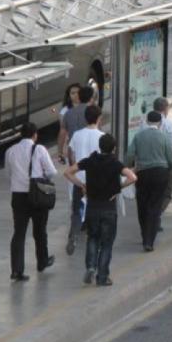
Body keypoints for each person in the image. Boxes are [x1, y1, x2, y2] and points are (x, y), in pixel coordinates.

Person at [65, 134, 136, 287]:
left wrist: (81, 185)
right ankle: (102, 277)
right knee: (107, 243)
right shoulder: (115, 163)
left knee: (93, 238)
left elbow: (68, 172)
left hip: (92, 207)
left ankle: (91, 267)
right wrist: (118, 188)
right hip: (108, 208)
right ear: (114, 148)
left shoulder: (90, 160)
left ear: (100, 146)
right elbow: (132, 177)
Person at [4, 123, 57, 281]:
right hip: (37, 194)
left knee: (19, 233)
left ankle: (17, 270)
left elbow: (8, 174)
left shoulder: (10, 151)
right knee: (40, 230)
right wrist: (42, 177)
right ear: (35, 135)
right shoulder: (39, 149)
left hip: (18, 196)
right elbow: (52, 171)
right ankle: (42, 261)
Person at [126, 111, 172, 252]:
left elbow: (129, 155)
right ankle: (149, 241)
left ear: (147, 121)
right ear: (160, 123)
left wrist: (129, 167)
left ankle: (144, 235)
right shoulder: (164, 137)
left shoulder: (138, 136)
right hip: (160, 173)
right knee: (155, 206)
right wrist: (167, 169)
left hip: (143, 173)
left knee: (142, 204)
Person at [65, 104, 105, 256]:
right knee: (95, 212)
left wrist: (75, 169)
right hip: (95, 182)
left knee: (77, 211)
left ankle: (73, 234)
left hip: (79, 180)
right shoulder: (102, 137)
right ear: (99, 118)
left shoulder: (77, 135)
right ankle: (93, 241)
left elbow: (71, 154)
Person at [61, 85, 96, 254]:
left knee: (76, 206)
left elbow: (67, 142)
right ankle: (89, 229)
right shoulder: (92, 113)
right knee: (92, 203)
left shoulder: (68, 114)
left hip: (77, 167)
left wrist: (71, 163)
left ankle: (73, 233)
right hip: (92, 170)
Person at [56, 82, 81, 165]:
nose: (76, 95)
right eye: (73, 93)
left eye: (78, 92)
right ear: (69, 96)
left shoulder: (88, 107)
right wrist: (60, 152)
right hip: (73, 146)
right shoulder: (65, 111)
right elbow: (62, 132)